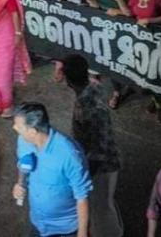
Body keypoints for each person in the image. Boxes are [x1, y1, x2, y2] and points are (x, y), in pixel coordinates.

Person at [61, 55, 123, 237]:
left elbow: (98, 146)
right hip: (108, 157)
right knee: (106, 202)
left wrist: (87, 172)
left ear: (68, 80)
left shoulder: (85, 107)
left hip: (100, 164)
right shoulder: (94, 87)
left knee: (101, 208)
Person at [12, 102, 92, 237]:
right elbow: (23, 162)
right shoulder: (23, 140)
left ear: (32, 132)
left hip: (66, 228)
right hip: (38, 222)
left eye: (18, 127)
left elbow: (82, 196)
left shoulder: (70, 155)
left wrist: (82, 233)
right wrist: (20, 183)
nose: (14, 128)